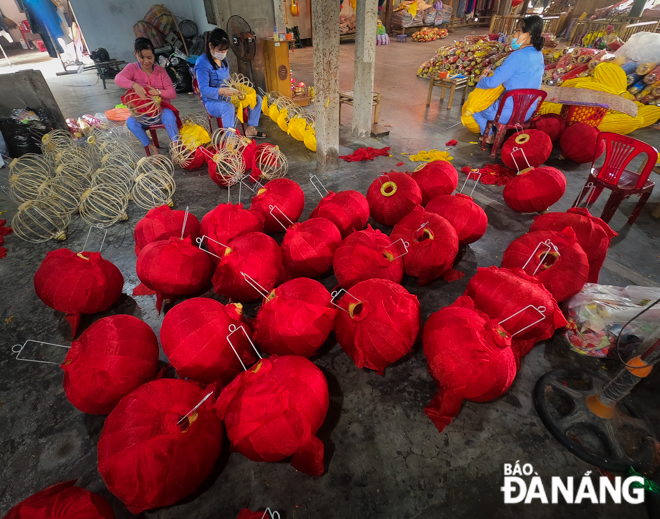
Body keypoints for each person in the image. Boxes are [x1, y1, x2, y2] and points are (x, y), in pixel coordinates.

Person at [472, 15, 545, 143]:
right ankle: (496, 133)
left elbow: (493, 82)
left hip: (509, 112)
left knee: (475, 108)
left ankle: (488, 136)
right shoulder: (539, 55)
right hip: (527, 112)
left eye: (517, 30)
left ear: (526, 35)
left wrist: (482, 80)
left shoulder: (517, 56)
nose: (514, 34)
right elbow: (519, 76)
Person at [195, 28, 265, 138]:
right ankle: (230, 140)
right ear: (210, 46)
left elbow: (227, 79)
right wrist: (221, 91)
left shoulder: (224, 60)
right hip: (212, 101)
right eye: (220, 50)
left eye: (225, 51)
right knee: (228, 107)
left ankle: (250, 129)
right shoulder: (202, 63)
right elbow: (203, 89)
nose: (223, 53)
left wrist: (234, 86)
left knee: (256, 99)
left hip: (228, 95)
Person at [115, 37, 178, 155]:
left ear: (154, 55)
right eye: (141, 57)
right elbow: (118, 79)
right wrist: (133, 85)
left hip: (161, 111)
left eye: (150, 57)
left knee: (170, 117)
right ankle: (153, 148)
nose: (146, 61)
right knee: (131, 123)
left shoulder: (161, 71)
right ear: (135, 54)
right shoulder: (132, 68)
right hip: (142, 114)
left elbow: (172, 93)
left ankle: (176, 148)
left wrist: (158, 92)